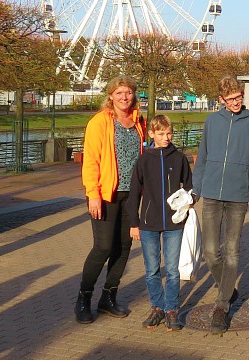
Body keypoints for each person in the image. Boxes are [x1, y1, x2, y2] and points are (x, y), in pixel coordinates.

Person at [192, 76, 249, 335]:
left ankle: (221, 306)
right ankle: (228, 287)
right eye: (230, 99)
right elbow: (203, 158)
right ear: (220, 99)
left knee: (231, 250)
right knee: (209, 251)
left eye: (239, 97)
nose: (236, 102)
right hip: (211, 194)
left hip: (238, 196)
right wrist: (195, 190)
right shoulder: (211, 122)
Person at [75, 75, 147, 324]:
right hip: (106, 194)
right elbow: (91, 160)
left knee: (124, 246)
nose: (124, 97)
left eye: (128, 92)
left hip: (131, 194)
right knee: (103, 247)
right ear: (111, 96)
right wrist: (92, 194)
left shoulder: (139, 121)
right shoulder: (99, 123)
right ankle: (84, 297)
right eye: (119, 93)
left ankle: (108, 297)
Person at [128, 114, 193, 331]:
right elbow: (134, 193)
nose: (166, 137)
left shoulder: (179, 158)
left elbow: (191, 185)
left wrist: (190, 201)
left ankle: (171, 309)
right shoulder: (144, 160)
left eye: (169, 133)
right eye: (162, 134)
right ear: (152, 134)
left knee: (173, 270)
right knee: (152, 270)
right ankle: (157, 307)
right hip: (148, 223)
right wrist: (134, 223)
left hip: (174, 223)